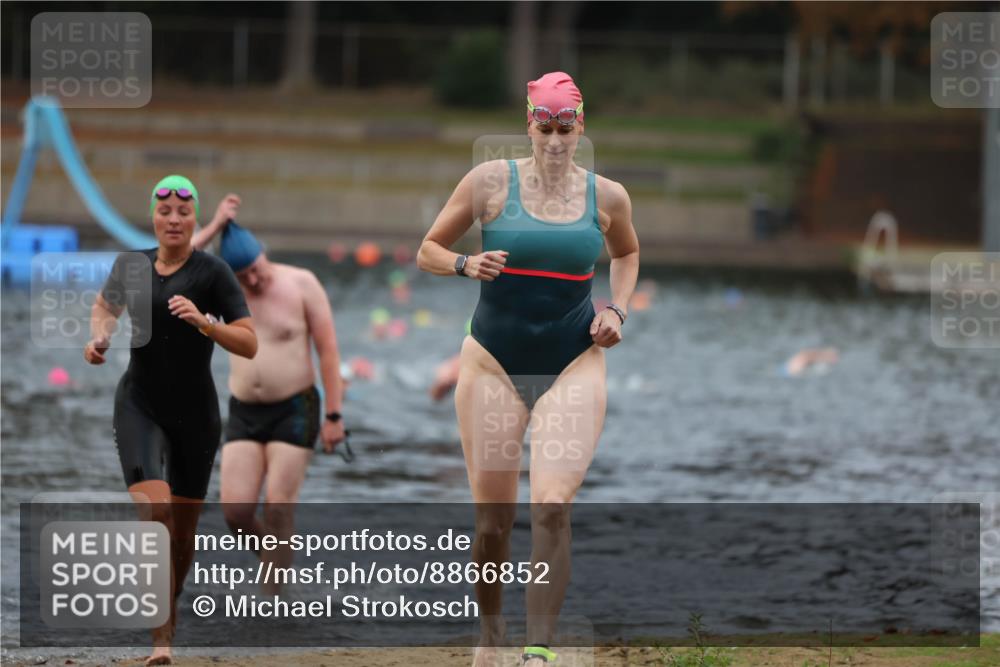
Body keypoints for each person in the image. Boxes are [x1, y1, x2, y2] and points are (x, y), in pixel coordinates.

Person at [417, 72, 640, 667]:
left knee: (551, 506)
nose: (556, 137)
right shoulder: (490, 182)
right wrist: (466, 263)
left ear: (581, 125)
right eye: (545, 124)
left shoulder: (608, 196)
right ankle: (491, 634)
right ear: (529, 123)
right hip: (492, 363)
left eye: (566, 125)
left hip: (573, 360)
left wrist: (617, 308)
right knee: (494, 520)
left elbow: (627, 253)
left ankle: (537, 651)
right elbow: (428, 249)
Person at [84, 175, 257, 666]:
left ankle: (168, 619)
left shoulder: (214, 273)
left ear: (194, 218)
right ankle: (161, 643)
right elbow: (104, 306)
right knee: (155, 516)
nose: (174, 220)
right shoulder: (130, 265)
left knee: (182, 535)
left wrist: (206, 323)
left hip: (196, 417)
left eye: (184, 212)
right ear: (154, 217)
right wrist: (99, 339)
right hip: (139, 404)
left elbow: (249, 341)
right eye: (166, 212)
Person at [191, 196, 346, 593]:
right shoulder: (222, 290)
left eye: (257, 270)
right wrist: (212, 227)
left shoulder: (301, 283)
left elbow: (328, 352)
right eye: (243, 276)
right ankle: (279, 565)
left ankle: (271, 599)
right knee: (236, 513)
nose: (254, 282)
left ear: (265, 255)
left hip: (296, 407)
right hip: (244, 411)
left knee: (278, 507)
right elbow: (174, 262)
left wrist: (334, 416)